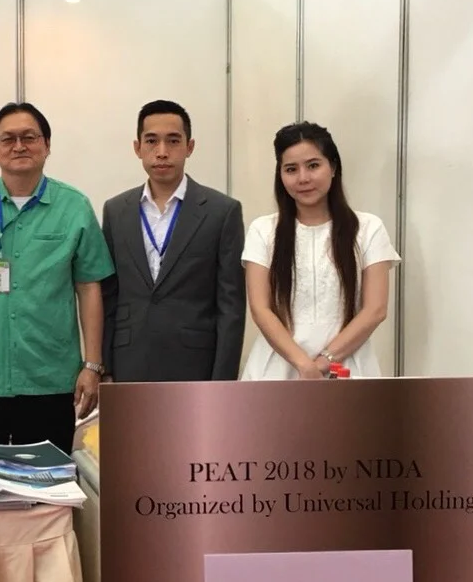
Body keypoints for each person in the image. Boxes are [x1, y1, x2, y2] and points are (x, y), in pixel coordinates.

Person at [0, 102, 113, 454]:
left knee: (47, 481)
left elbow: (89, 288)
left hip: (50, 377)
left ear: (47, 145)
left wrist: (92, 365)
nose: (19, 146)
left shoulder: (74, 207)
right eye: (8, 138)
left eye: (29, 137)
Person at [241, 122, 399, 381]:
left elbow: (375, 309)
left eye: (313, 165)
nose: (303, 178)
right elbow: (261, 309)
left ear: (333, 167)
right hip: (277, 368)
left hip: (348, 366)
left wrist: (324, 362)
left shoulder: (368, 228)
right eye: (291, 169)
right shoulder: (263, 230)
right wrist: (304, 365)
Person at [101, 99, 245, 382]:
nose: (162, 152)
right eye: (151, 141)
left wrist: (223, 381)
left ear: (190, 147)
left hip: (195, 365)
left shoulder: (222, 211)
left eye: (173, 141)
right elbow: (108, 297)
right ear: (137, 148)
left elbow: (231, 307)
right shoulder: (116, 211)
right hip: (129, 361)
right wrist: (105, 368)